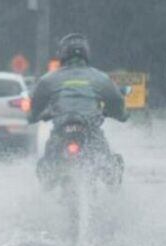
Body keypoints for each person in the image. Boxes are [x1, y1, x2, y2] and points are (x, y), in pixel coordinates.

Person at [29, 33, 128, 189]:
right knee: (109, 168)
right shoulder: (101, 78)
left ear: (62, 54)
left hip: (61, 131)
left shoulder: (48, 79)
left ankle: (48, 189)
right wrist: (121, 115)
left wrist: (34, 116)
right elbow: (116, 101)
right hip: (90, 130)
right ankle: (112, 184)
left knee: (46, 169)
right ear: (86, 53)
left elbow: (35, 105)